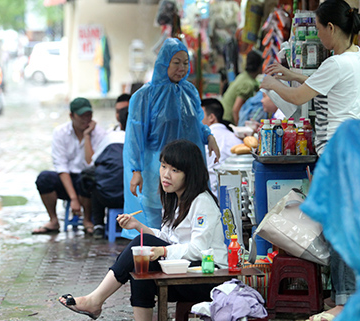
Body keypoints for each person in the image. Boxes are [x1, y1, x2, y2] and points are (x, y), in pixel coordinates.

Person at [58, 140, 227, 321]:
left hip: (209, 277)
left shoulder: (202, 202)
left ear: (190, 173)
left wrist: (162, 251)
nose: (166, 174)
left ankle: (95, 300)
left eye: (175, 170)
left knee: (143, 249)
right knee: (141, 264)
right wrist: (139, 227)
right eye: (164, 166)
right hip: (188, 270)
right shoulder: (177, 200)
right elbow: (168, 238)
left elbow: (198, 248)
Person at [259, 0, 360, 321]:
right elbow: (319, 81)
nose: (319, 36)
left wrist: (272, 84)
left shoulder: (336, 64)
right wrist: (288, 72)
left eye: (319, 30)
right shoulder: (356, 57)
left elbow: (297, 96)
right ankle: (345, 298)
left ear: (331, 28)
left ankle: (343, 303)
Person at [123, 38, 220, 237]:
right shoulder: (145, 96)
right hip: (157, 169)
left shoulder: (189, 91)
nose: (182, 68)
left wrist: (208, 136)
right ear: (164, 62)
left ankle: (185, 258)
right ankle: (156, 261)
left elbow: (195, 123)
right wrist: (136, 170)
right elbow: (135, 136)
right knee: (157, 224)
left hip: (188, 167)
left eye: (185, 63)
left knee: (190, 215)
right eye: (176, 62)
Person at [32, 97, 106, 235]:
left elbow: (92, 163)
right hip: (67, 179)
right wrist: (73, 198)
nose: (86, 119)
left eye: (88, 115)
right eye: (81, 116)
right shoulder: (60, 133)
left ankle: (88, 219)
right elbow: (61, 167)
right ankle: (53, 220)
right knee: (44, 178)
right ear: (72, 116)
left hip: (87, 180)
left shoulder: (100, 133)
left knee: (90, 177)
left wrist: (87, 136)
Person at [90, 95, 130, 239]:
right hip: (133, 198)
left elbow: (93, 161)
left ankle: (98, 225)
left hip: (107, 197)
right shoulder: (143, 142)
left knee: (92, 178)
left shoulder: (110, 138)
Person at [201, 98, 243, 197]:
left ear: (211, 117)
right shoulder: (236, 138)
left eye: (200, 115)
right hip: (235, 195)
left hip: (208, 195)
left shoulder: (202, 140)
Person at [221, 49, 264, 125]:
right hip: (227, 120)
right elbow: (235, 109)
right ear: (259, 67)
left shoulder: (244, 76)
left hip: (223, 114)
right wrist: (239, 128)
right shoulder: (248, 84)